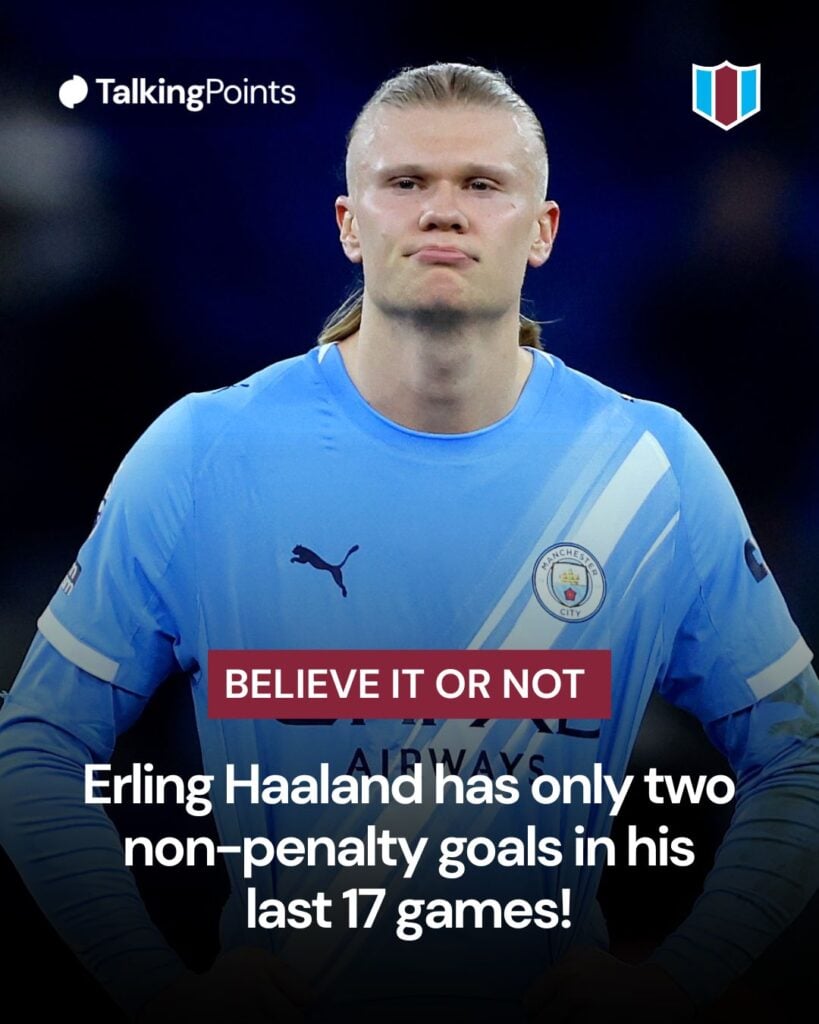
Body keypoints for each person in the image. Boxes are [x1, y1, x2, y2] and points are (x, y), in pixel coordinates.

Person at [0, 61, 817, 1024]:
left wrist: (682, 976)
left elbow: (797, 755)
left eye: (481, 185)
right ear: (349, 222)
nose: (442, 212)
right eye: (405, 184)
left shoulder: (649, 464)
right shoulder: (205, 450)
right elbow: (38, 742)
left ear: (542, 229)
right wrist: (150, 981)